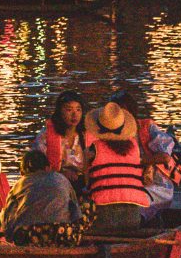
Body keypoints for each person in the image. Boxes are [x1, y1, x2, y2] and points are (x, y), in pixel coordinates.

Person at [82, 102, 150, 233]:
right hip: (133, 216)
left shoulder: (92, 150)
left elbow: (87, 183)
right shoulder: (134, 147)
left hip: (103, 216)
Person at [32, 90, 85, 182]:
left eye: (78, 109)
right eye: (69, 110)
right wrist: (61, 173)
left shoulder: (87, 135)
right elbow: (37, 167)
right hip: (53, 183)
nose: (74, 114)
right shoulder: (45, 136)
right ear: (59, 112)